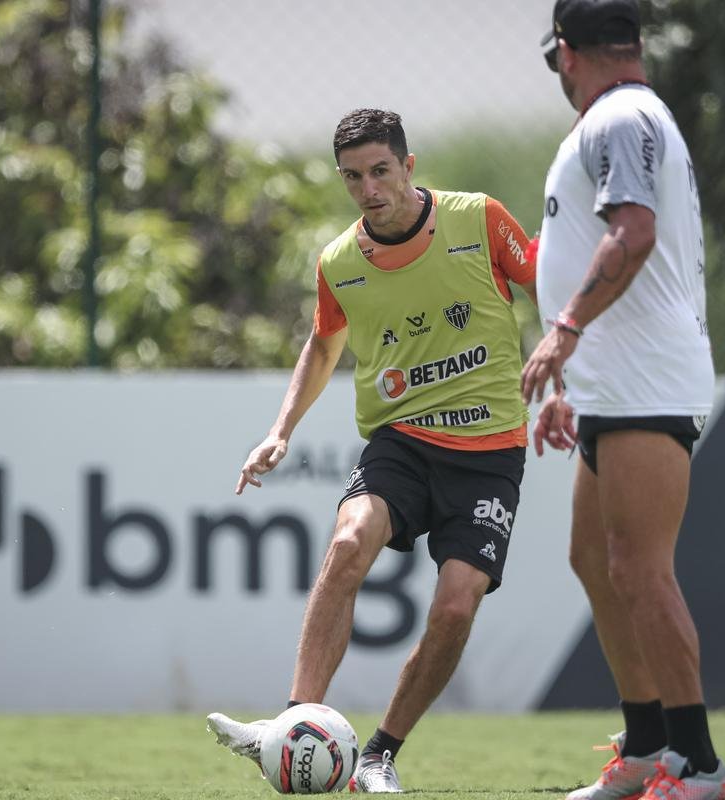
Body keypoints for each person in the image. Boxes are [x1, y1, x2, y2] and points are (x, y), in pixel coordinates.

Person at [207, 108, 538, 793]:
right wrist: (280, 431)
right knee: (348, 542)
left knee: (454, 607)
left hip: (488, 450)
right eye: (353, 177)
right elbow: (323, 342)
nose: (368, 189)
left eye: (380, 171)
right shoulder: (339, 261)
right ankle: (294, 722)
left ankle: (379, 754)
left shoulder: (478, 219)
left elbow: (546, 281)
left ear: (408, 166)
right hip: (402, 438)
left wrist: (568, 359)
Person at [523, 2, 725, 798]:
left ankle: (700, 766)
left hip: (645, 378)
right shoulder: (627, 116)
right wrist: (574, 375)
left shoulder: (619, 116)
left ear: (567, 54)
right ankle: (646, 750)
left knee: (641, 572)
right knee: (594, 560)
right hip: (615, 382)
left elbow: (633, 232)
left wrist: (565, 329)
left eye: (555, 65)